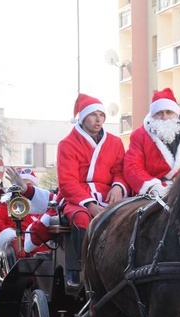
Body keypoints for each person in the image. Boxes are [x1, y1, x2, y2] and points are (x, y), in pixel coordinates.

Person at [56, 93, 127, 287]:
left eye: (101, 115)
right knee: (81, 217)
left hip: (108, 195)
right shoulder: (67, 144)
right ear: (82, 116)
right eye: (93, 115)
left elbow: (120, 170)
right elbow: (67, 182)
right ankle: (81, 268)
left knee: (129, 215)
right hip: (77, 198)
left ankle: (121, 265)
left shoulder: (115, 142)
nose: (98, 119)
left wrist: (118, 186)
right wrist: (90, 204)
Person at [123, 87, 180, 196]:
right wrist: (152, 186)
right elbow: (132, 166)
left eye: (169, 112)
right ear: (153, 115)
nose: (164, 117)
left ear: (176, 113)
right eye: (159, 113)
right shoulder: (139, 135)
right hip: (153, 193)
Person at [0, 168, 52, 257]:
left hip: (47, 249)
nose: (24, 190)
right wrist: (11, 238)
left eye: (29, 186)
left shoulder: (43, 208)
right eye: (21, 186)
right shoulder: (8, 206)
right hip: (23, 250)